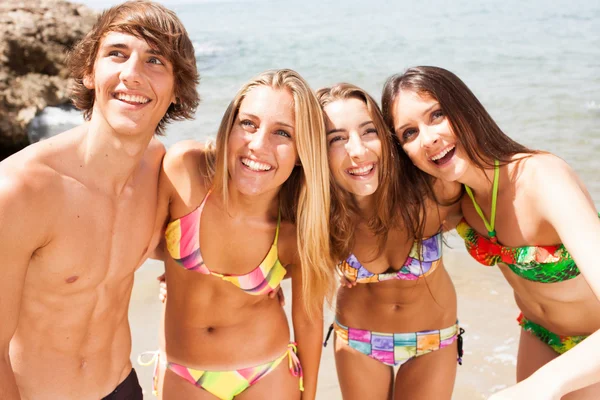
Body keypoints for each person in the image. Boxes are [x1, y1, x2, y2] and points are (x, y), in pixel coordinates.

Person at [0, 1, 199, 399]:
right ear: (90, 73)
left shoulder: (160, 169)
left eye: (155, 60)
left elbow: (181, 246)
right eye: (117, 54)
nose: (132, 74)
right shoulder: (22, 190)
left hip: (122, 387)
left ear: (176, 89)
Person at [382, 66, 600, 399]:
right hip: (539, 335)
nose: (428, 139)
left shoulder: (542, 179)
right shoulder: (457, 196)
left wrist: (544, 384)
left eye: (437, 115)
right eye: (409, 133)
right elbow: (383, 229)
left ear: (465, 108)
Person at [154, 69, 332, 400]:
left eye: (283, 133)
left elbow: (308, 320)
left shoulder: (296, 229)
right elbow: (136, 242)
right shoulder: (186, 172)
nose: (258, 145)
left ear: (301, 154)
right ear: (229, 125)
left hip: (267, 371)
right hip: (182, 370)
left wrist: (310, 397)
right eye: (248, 123)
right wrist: (170, 269)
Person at [317, 83, 463, 399]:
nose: (357, 150)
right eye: (337, 139)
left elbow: (495, 201)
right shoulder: (321, 215)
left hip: (432, 339)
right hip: (359, 340)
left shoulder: (433, 194)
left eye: (368, 131)